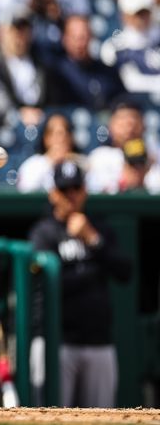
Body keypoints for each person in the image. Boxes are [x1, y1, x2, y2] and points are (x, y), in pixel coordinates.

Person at [29, 160, 132, 407]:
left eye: (76, 188)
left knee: (101, 419)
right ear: (54, 193)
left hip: (99, 341)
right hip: (57, 341)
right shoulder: (43, 232)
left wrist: (92, 239)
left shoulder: (99, 229)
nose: (71, 196)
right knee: (51, 417)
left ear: (84, 190)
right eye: (65, 190)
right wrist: (94, 271)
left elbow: (125, 271)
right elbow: (49, 284)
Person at [16, 113, 82, 193]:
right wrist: (50, 161)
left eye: (66, 133)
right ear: (46, 138)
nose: (62, 139)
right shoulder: (33, 164)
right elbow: (26, 191)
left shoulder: (79, 163)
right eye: (57, 134)